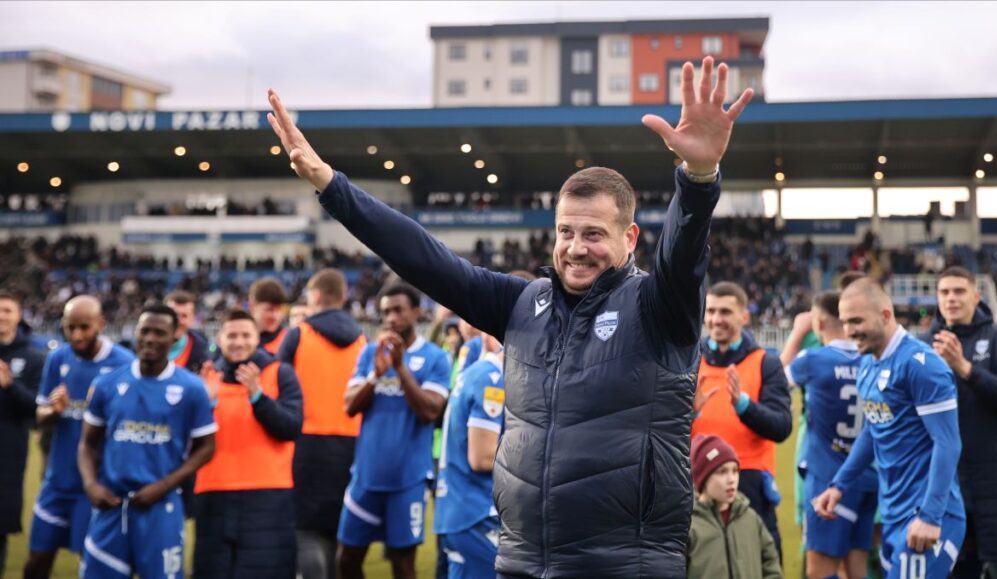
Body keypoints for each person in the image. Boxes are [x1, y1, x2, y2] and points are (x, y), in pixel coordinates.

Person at [268, 54, 754, 577]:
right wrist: (330, 185)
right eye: (566, 231)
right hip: (522, 558)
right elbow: (424, 257)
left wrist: (698, 178)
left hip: (624, 564)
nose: (575, 247)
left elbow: (684, 255)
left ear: (629, 238)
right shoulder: (523, 304)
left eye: (594, 233)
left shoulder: (657, 307)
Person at [815, 278, 965, 579]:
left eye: (857, 320)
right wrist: (838, 485)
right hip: (895, 513)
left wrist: (931, 516)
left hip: (926, 514)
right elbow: (873, 430)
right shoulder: (869, 363)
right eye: (845, 322)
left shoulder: (921, 364)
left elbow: (947, 443)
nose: (849, 331)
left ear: (885, 315)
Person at [78, 303, 217, 578]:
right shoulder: (107, 385)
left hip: (161, 508)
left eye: (159, 332)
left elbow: (207, 447)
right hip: (111, 507)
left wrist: (163, 485)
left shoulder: (191, 389)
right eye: (145, 331)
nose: (150, 339)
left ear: (174, 336)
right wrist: (91, 485)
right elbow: (87, 444)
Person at [337, 282, 451, 579]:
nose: (391, 318)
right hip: (366, 476)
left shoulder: (435, 358)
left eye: (398, 310)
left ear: (416, 312)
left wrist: (400, 369)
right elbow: (349, 406)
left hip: (407, 480)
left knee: (402, 563)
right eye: (386, 312)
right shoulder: (370, 354)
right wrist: (376, 374)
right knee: (346, 559)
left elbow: (429, 411)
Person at [25, 296, 134, 579]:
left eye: (84, 327)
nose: (76, 335)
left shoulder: (124, 364)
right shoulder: (58, 358)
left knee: (91, 565)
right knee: (37, 560)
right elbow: (40, 414)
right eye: (69, 327)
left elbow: (130, 426)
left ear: (101, 324)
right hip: (58, 481)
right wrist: (52, 410)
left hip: (97, 486)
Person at [926, 266, 997, 578]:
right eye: (945, 292)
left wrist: (964, 368)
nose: (951, 298)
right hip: (945, 482)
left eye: (959, 291)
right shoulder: (923, 345)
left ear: (976, 296)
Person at [193, 309, 304, 579]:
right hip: (214, 494)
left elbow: (290, 428)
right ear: (220, 339)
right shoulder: (206, 379)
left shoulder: (280, 374)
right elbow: (188, 441)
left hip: (267, 495)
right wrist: (205, 403)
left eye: (245, 335)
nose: (238, 342)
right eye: (231, 335)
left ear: (257, 338)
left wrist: (257, 396)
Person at [277, 269, 366, 579]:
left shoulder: (299, 334)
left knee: (308, 530)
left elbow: (279, 388)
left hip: (308, 444)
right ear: (342, 298)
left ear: (314, 297)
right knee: (339, 530)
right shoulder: (360, 340)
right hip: (352, 444)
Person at [693, 281, 791, 557]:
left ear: (744, 317)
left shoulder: (764, 363)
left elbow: (782, 426)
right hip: (697, 484)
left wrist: (744, 406)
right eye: (711, 311)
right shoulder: (690, 359)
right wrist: (689, 413)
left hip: (748, 484)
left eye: (725, 312)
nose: (715, 319)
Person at [786, 290, 877, 579]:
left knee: (820, 571)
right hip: (867, 476)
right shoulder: (872, 360)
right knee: (856, 569)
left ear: (819, 323)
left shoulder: (813, 359)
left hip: (828, 479)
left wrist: (797, 335)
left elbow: (772, 381)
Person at [435, 331, 505, 579]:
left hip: (461, 509)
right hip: (476, 513)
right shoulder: (492, 378)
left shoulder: (478, 373)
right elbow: (482, 457)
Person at [687, 434, 782, 579]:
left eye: (735, 470)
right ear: (702, 478)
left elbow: (771, 564)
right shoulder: (689, 527)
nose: (731, 479)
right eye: (722, 472)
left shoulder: (750, 518)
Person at [0, 290, 46, 571]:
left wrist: (10, 385)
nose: (1, 316)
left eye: (7, 310)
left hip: (8, 453)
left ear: (18, 316)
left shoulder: (32, 358)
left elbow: (37, 410)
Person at [164, 290, 211, 373]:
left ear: (192, 319)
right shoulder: (143, 346)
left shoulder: (202, 351)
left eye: (184, 316)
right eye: (173, 315)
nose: (178, 321)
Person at [248, 277, 290, 355]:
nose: (275, 316)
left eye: (279, 310)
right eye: (269, 309)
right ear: (252, 306)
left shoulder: (289, 341)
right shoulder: (236, 340)